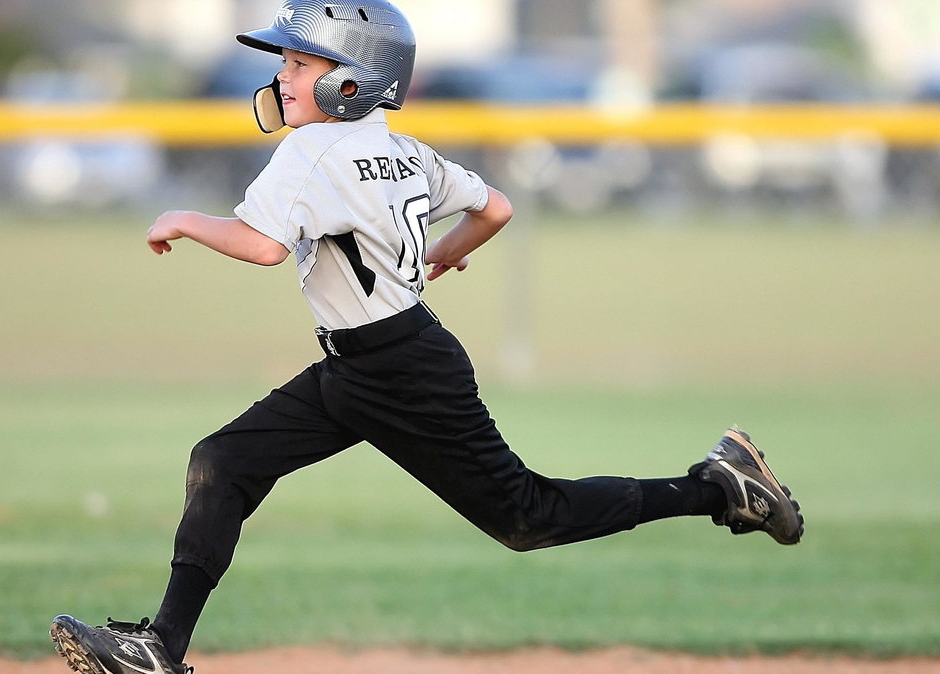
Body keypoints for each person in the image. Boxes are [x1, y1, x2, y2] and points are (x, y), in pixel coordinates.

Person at [49, 2, 804, 673]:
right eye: (283, 59)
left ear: (356, 80)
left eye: (302, 61)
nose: (283, 75)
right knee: (224, 461)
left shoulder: (311, 152)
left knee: (527, 517)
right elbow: (497, 206)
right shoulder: (406, 150)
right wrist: (445, 250)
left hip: (401, 373)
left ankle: (719, 486)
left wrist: (181, 219)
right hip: (369, 363)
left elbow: (261, 244)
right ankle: (161, 648)